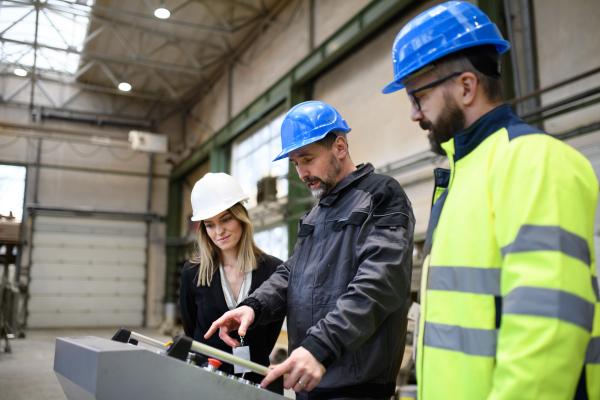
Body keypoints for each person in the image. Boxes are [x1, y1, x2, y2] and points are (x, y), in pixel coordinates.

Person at [382, 2, 600, 399]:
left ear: (466, 86)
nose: (414, 114)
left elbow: (547, 329)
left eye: (419, 96)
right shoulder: (462, 175)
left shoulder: (533, 161)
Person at [206, 101, 415, 400]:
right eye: (295, 164)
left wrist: (320, 346)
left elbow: (380, 283)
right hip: (308, 375)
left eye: (308, 159)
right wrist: (254, 306)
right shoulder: (316, 214)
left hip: (356, 385)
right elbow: (292, 273)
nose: (302, 173)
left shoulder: (380, 195)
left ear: (340, 147)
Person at [179, 172, 284, 388]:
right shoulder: (193, 273)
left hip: (257, 378)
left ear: (241, 217)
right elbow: (191, 328)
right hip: (206, 377)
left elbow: (273, 327)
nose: (219, 232)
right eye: (210, 224)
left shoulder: (274, 269)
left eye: (226, 219)